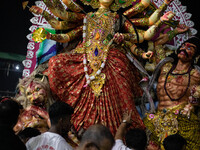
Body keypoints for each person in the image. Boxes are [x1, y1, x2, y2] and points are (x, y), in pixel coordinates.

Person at [29, 0, 175, 135]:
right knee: (55, 62)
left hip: (112, 58)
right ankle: (75, 126)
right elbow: (66, 32)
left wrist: (162, 12)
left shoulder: (118, 17)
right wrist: (48, 32)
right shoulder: (87, 16)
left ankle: (120, 131)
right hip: (84, 56)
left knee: (121, 74)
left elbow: (142, 35)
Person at [144, 36, 200, 150]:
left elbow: (196, 97)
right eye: (183, 45)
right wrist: (175, 32)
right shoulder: (165, 67)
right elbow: (158, 43)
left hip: (181, 121)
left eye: (190, 48)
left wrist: (192, 105)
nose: (185, 48)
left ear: (196, 56)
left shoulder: (195, 75)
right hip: (158, 119)